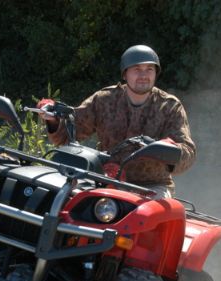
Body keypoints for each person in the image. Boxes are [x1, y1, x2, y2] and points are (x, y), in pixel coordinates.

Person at [37, 45, 196, 198]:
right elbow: (67, 134)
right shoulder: (104, 99)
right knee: (66, 199)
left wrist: (167, 150)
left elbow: (187, 153)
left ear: (156, 73)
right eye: (137, 69)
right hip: (105, 179)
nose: (143, 75)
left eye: (149, 69)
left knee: (149, 212)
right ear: (125, 74)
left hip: (152, 186)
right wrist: (54, 120)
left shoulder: (169, 107)